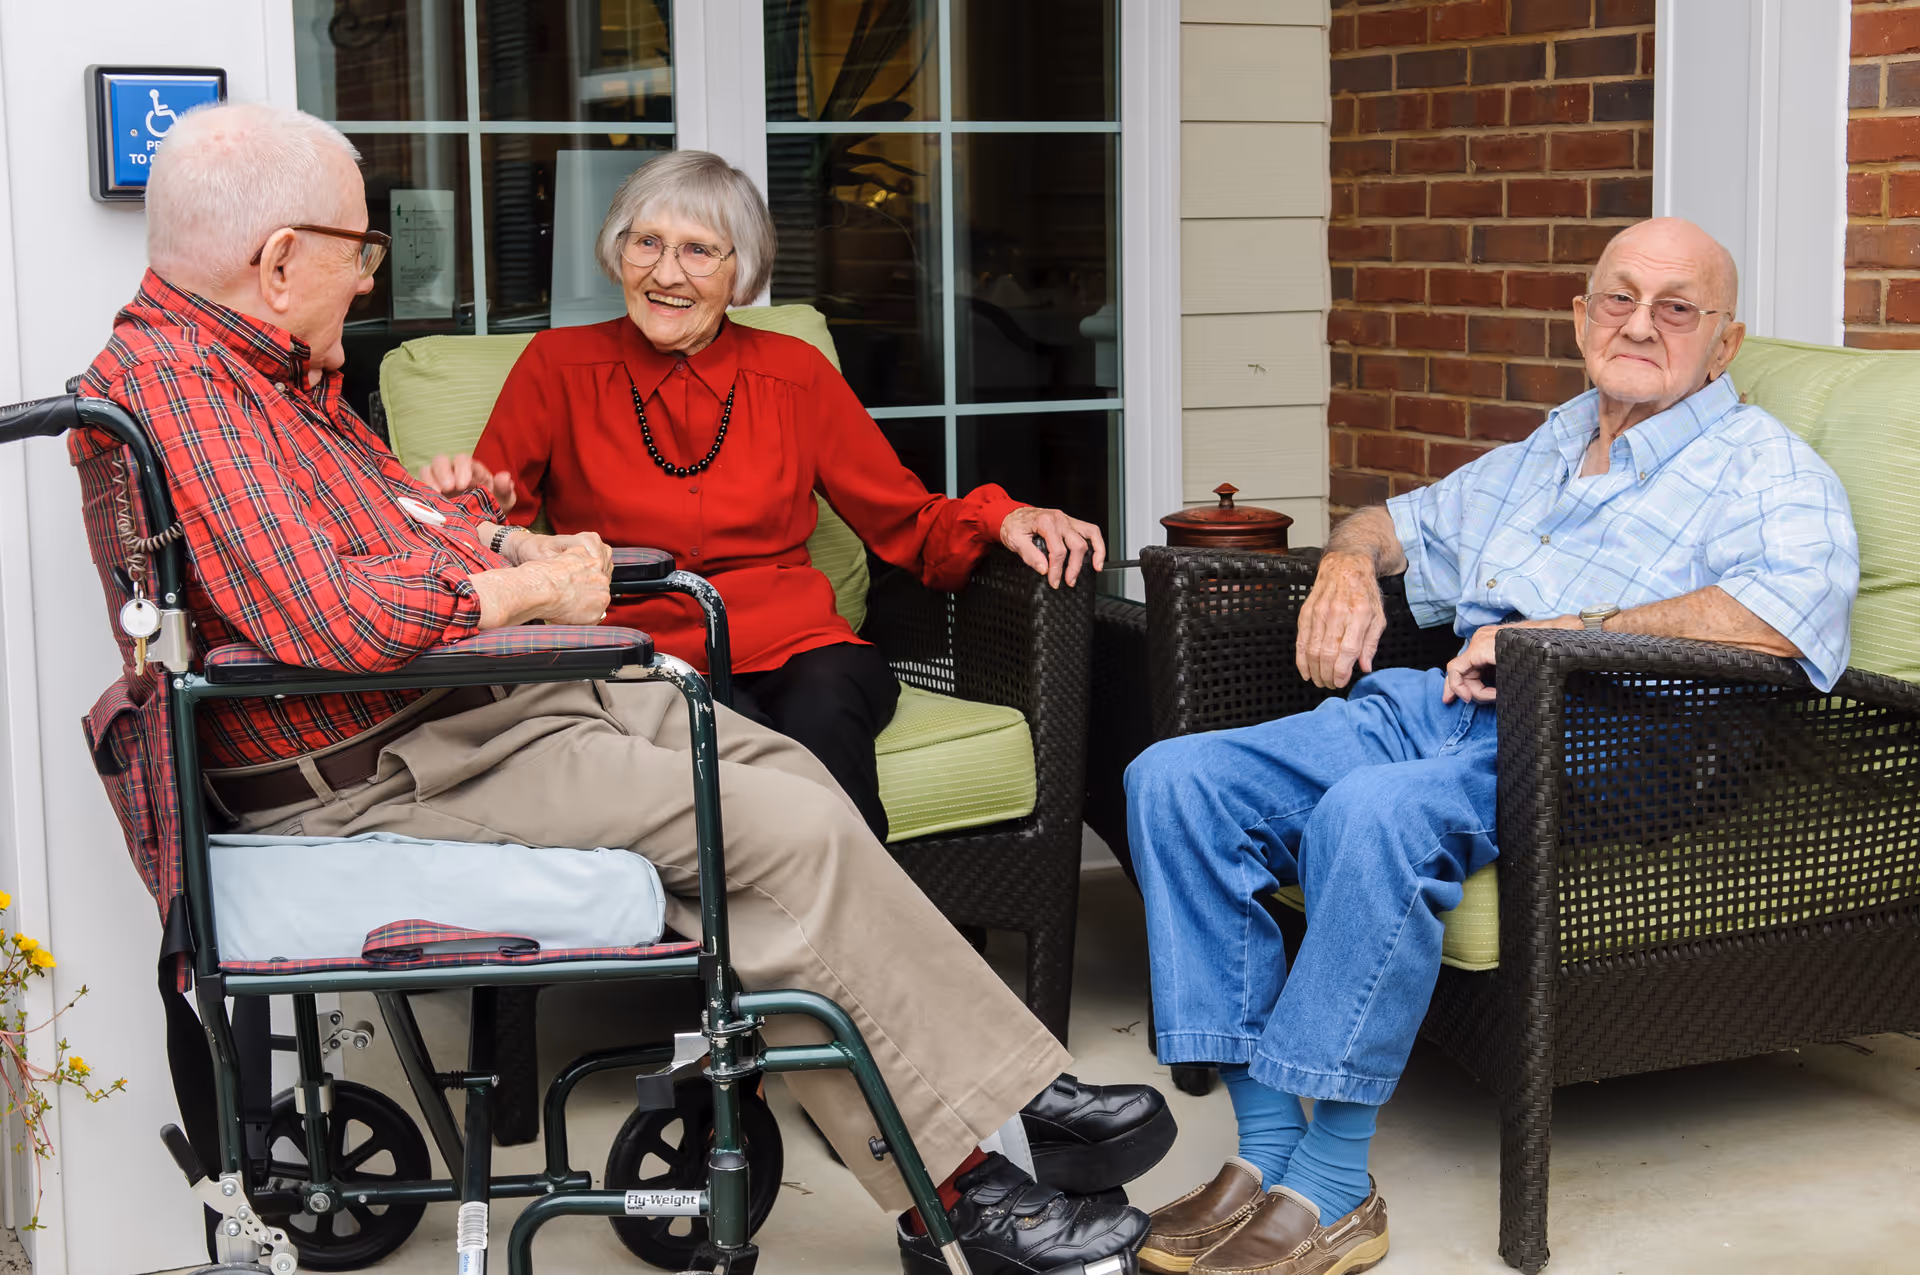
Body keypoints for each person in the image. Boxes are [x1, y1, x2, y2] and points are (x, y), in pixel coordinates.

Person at [79, 101, 1164, 1275]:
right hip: (398, 750)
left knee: (797, 785)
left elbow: (398, 536)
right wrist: (535, 587)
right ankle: (966, 1172)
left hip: (479, 704)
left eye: (700, 248)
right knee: (783, 825)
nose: (367, 278)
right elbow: (344, 617)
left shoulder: (270, 377)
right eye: (358, 249)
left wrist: (501, 548)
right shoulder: (192, 390)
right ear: (280, 258)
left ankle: (985, 1125)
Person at [1124, 217, 1859, 1275]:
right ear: (1581, 315)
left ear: (1725, 342)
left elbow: (1787, 619)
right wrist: (1341, 564)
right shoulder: (1551, 443)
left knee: (1373, 813)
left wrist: (1561, 637)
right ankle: (1267, 1155)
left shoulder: (1768, 470)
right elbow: (1393, 527)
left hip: (1613, 724)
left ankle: (1332, 1189)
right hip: (1445, 703)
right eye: (1619, 298)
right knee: (1177, 780)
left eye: (1676, 307)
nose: (1640, 325)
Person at [415, 150, 1105, 841]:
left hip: (797, 642)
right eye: (646, 243)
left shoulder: (793, 374)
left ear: (738, 271)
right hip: (637, 649)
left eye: (697, 250)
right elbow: (488, 522)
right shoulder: (557, 367)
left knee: (824, 711)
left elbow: (903, 516)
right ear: (615, 252)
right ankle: (776, 938)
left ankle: (853, 928)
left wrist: (1005, 514)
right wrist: (469, 500)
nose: (665, 273)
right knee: (721, 730)